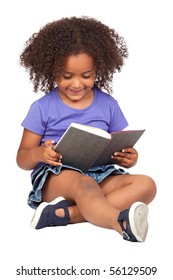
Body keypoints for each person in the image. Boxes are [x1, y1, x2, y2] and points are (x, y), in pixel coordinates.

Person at [17, 16, 156, 242]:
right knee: (85, 184)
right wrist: (38, 153)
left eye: (86, 76)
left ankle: (65, 214)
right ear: (51, 71)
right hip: (57, 178)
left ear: (98, 70)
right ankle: (120, 224)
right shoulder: (42, 107)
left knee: (147, 185)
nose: (77, 84)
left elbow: (120, 143)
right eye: (67, 76)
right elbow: (22, 159)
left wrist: (129, 158)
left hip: (99, 173)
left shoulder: (108, 104)